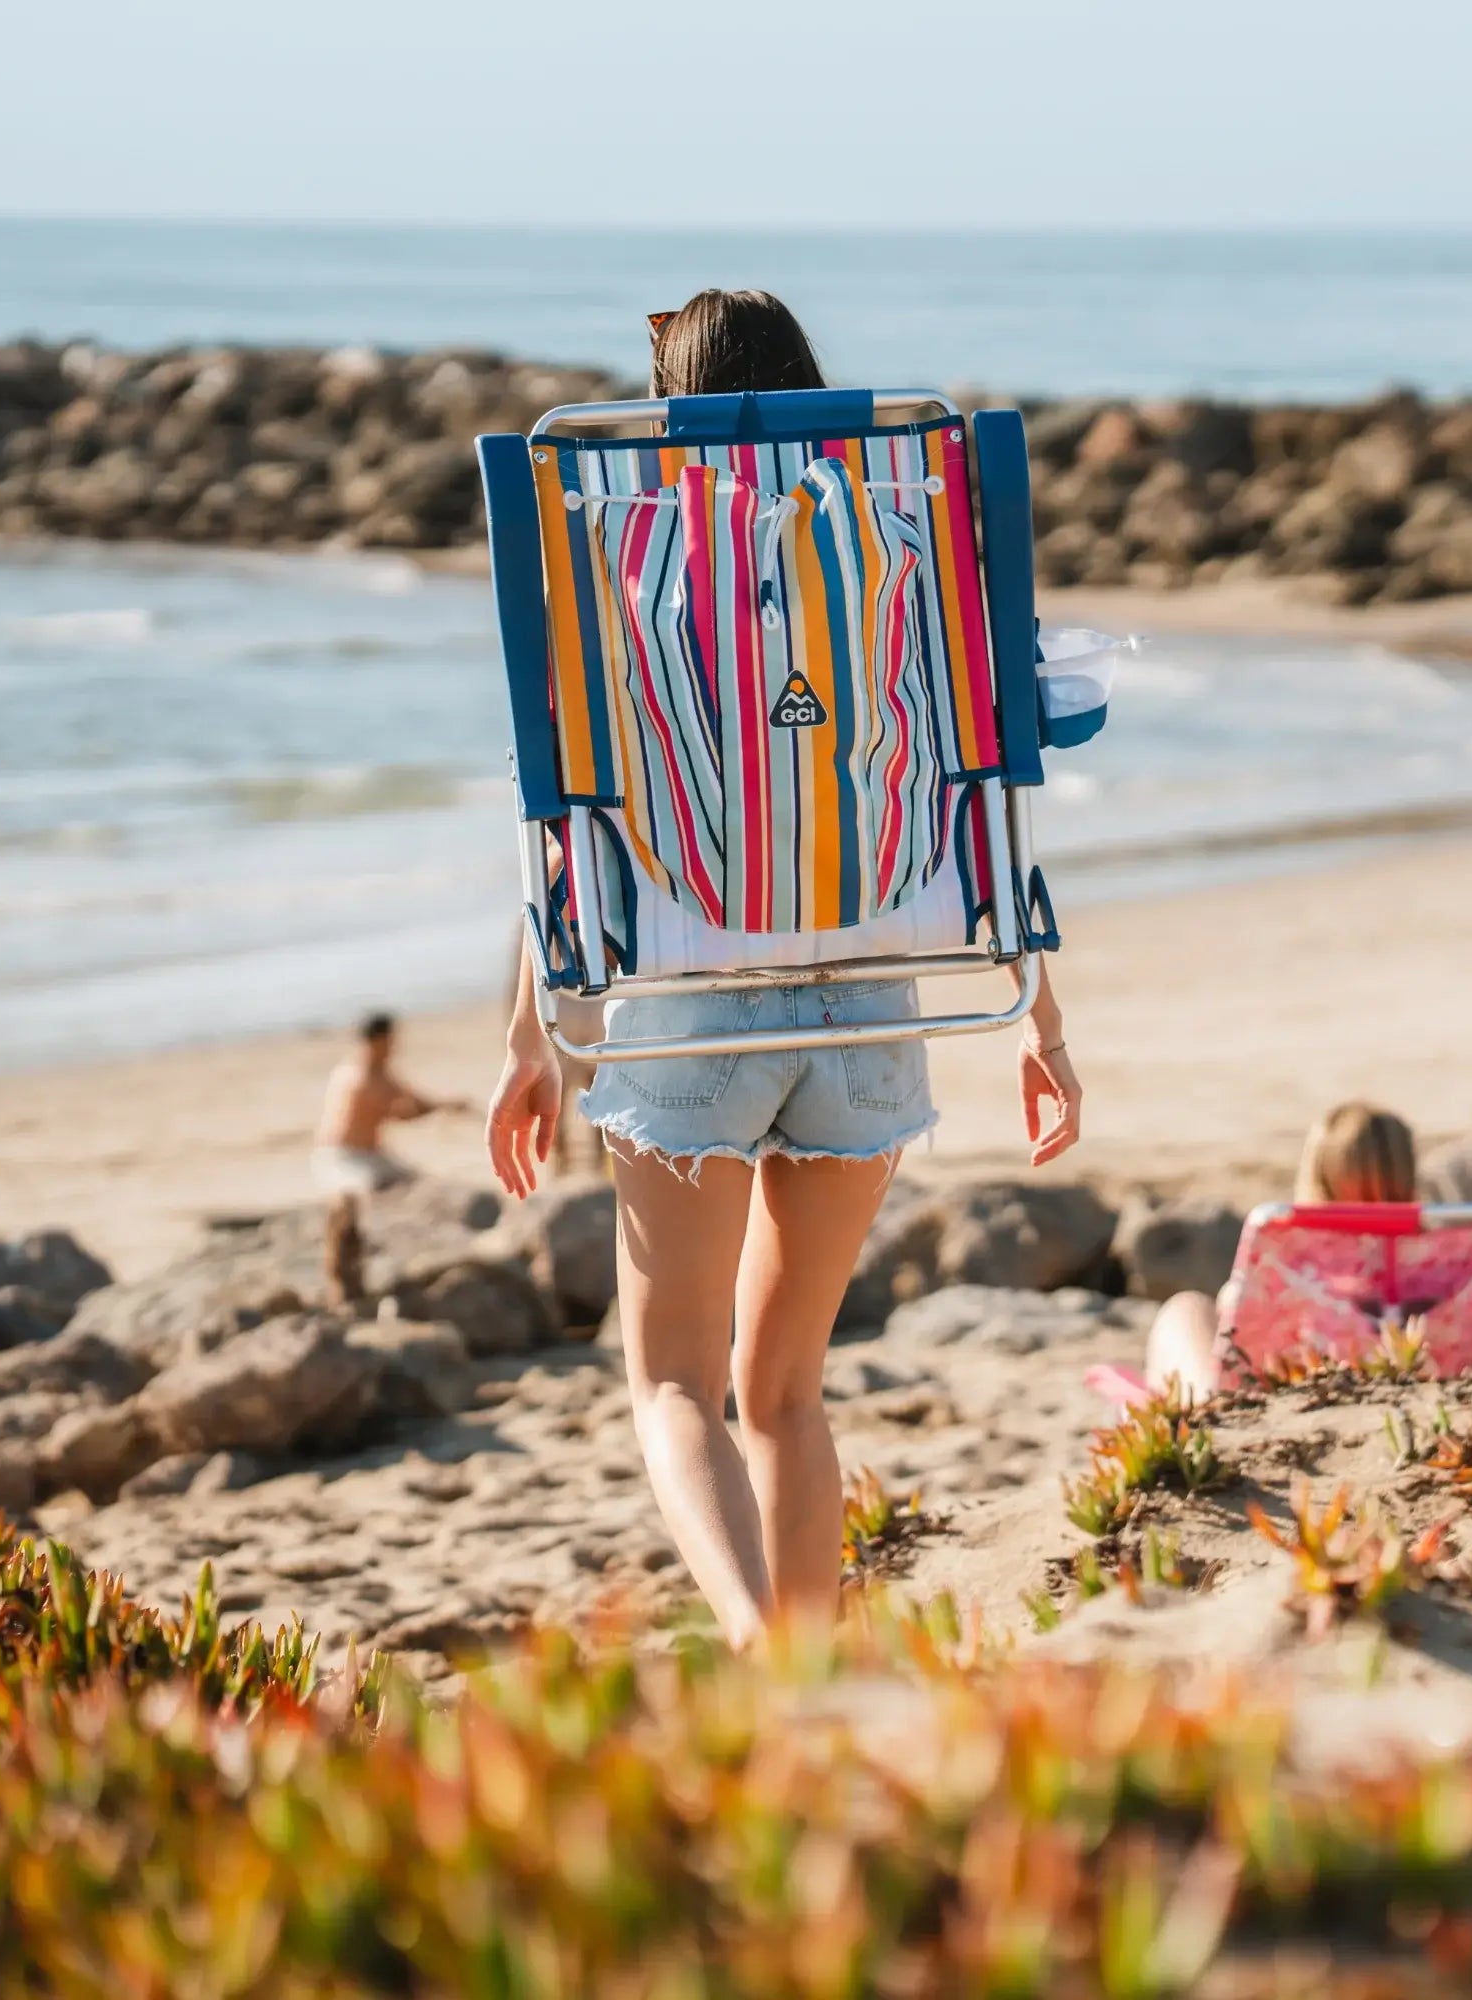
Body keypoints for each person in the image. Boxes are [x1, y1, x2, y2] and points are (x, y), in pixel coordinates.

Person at [485, 290, 1083, 1649]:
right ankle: (810, 1669)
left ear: (664, 408)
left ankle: (765, 1649)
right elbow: (981, 793)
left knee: (675, 1387)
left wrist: (530, 1036)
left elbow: (561, 820)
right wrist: (1041, 1017)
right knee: (787, 1389)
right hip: (872, 988)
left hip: (690, 1010)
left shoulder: (623, 559)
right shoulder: (894, 555)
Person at [1143, 1102, 1418, 1395]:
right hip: (1405, 1371)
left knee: (1186, 1309)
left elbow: (1238, 1332)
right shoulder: (1442, 1257)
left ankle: (1204, 1400)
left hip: (1277, 1389)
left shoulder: (1290, 1257)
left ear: (1315, 1177)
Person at [313, 1012, 472, 1306]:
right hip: (343, 1158)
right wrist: (440, 1108)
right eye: (390, 1041)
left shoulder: (381, 1071)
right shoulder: (358, 1076)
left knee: (423, 1186)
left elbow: (412, 1097)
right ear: (376, 1040)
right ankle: (339, 1272)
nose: (394, 1047)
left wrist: (448, 1105)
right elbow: (403, 1111)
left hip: (375, 1156)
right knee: (350, 1199)